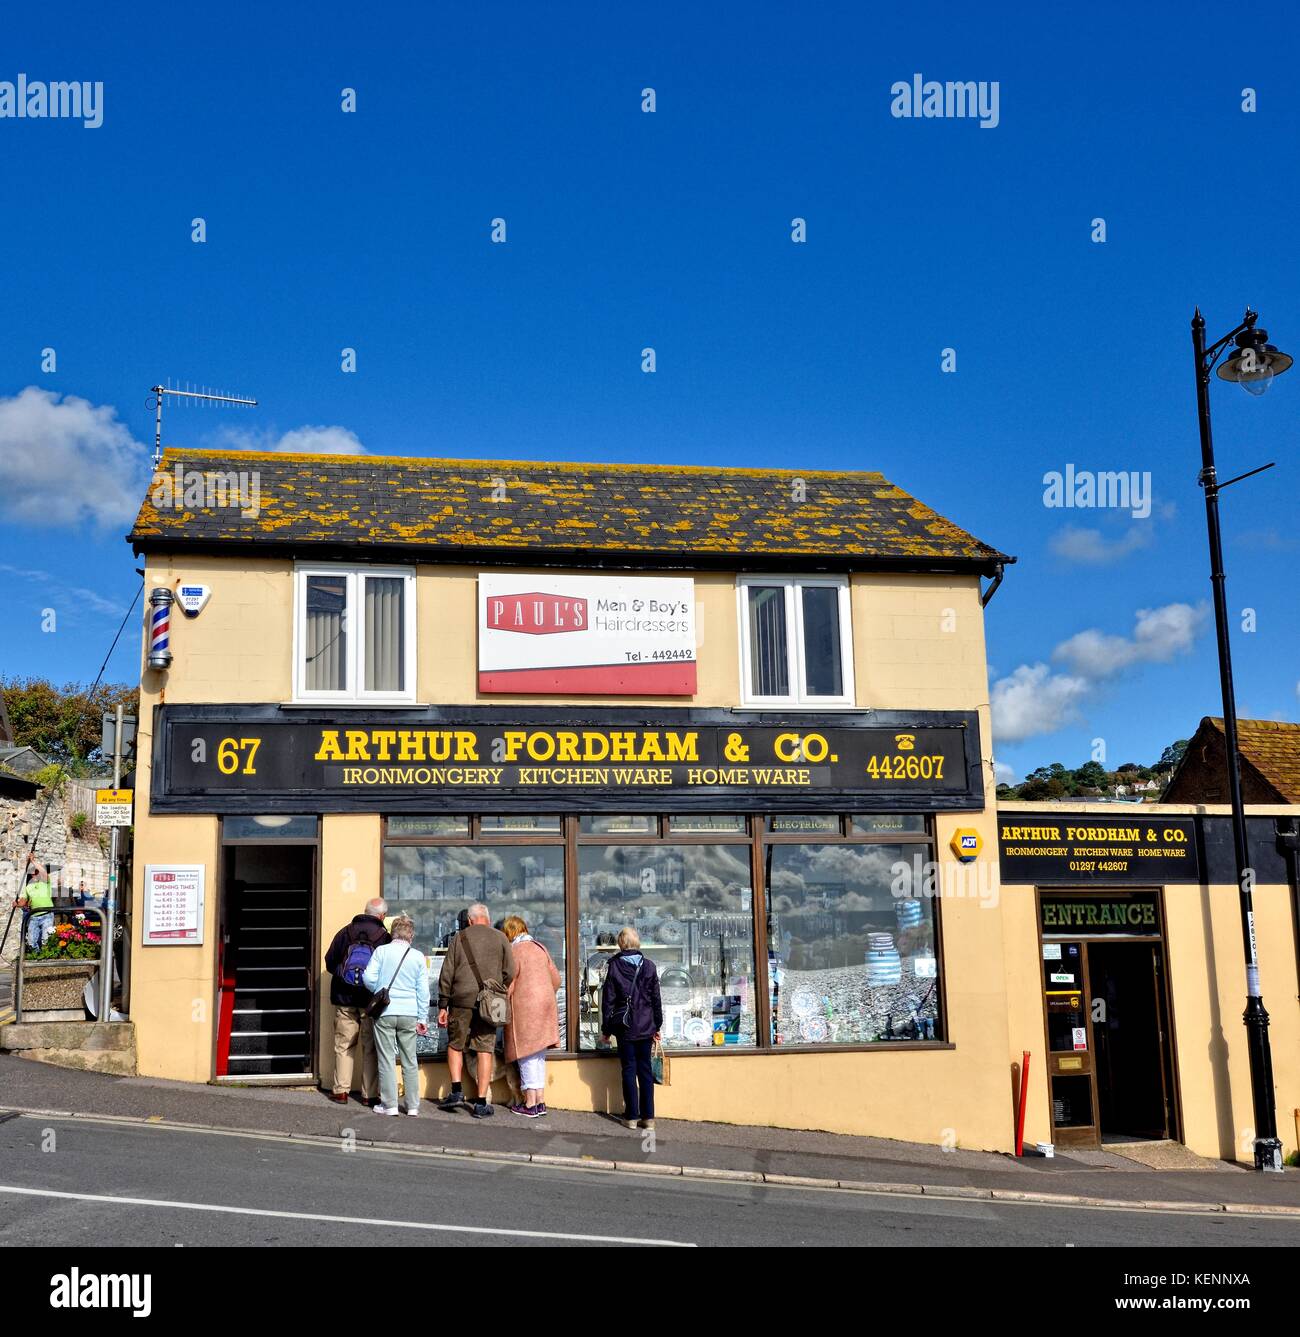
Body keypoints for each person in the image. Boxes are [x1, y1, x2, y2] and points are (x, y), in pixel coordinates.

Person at [437, 902, 515, 1119]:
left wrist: (443, 1004)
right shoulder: (500, 938)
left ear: (470, 920)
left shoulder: (458, 938)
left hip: (460, 1000)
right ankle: (481, 1102)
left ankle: (456, 1091)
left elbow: (447, 973)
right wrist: (497, 988)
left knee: (455, 1044)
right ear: (487, 919)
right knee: (484, 1049)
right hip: (489, 1003)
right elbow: (511, 970)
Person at [323, 898, 391, 1105]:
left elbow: (330, 961)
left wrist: (346, 978)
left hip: (344, 999)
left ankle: (341, 1091)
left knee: (344, 1045)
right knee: (370, 1047)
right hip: (370, 1001)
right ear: (382, 916)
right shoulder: (384, 937)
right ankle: (368, 1095)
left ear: (365, 911)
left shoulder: (346, 932)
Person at [362, 915, 430, 1117]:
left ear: (393, 932)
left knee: (386, 1059)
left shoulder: (381, 951)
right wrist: (422, 1018)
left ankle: (390, 1105)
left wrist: (382, 991)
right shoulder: (418, 956)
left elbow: (367, 978)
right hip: (409, 1013)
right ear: (411, 935)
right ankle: (412, 1106)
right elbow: (423, 991)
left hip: (385, 1011)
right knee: (410, 1060)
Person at [601, 926, 663, 1131]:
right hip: (646, 1025)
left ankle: (632, 1117)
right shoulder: (650, 966)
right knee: (645, 1071)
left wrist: (607, 1029)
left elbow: (608, 1000)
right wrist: (657, 1024)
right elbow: (656, 999)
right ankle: (649, 1118)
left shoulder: (615, 966)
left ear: (621, 943)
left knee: (629, 1069)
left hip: (625, 1026)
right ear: (637, 943)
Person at [501, 915, 561, 1118]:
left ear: (509, 933)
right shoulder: (540, 947)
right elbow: (556, 979)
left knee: (525, 1055)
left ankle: (530, 1103)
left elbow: (508, 986)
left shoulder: (514, 951)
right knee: (538, 1056)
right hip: (545, 1006)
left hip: (525, 1008)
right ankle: (541, 1101)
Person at [18, 855, 55, 954]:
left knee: (46, 940)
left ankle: (47, 958)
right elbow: (23, 901)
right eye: (34, 872)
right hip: (33, 916)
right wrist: (16, 904)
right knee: (31, 941)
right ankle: (37, 957)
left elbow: (44, 872)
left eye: (37, 871)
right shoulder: (28, 887)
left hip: (47, 914)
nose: (36, 873)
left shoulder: (45, 882)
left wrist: (33, 861)